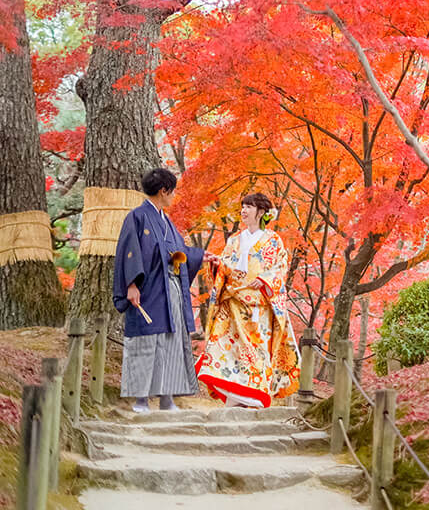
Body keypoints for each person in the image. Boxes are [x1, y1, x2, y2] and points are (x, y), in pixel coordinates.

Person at [112, 168, 205, 413]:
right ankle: (141, 399)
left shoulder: (167, 222)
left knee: (172, 342)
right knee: (146, 342)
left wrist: (203, 257)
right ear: (164, 191)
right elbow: (128, 252)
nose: (174, 197)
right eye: (172, 192)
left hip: (172, 289)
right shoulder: (137, 217)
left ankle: (167, 399)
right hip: (149, 289)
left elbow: (179, 252)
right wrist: (130, 285)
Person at [196, 192, 299, 408]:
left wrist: (264, 280)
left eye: (249, 207)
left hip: (259, 306)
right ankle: (234, 396)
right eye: (242, 206)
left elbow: (280, 267)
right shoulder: (234, 240)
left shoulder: (273, 240)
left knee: (257, 351)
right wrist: (216, 264)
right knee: (225, 347)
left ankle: (253, 395)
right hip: (233, 301)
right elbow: (225, 267)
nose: (243, 210)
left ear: (261, 212)